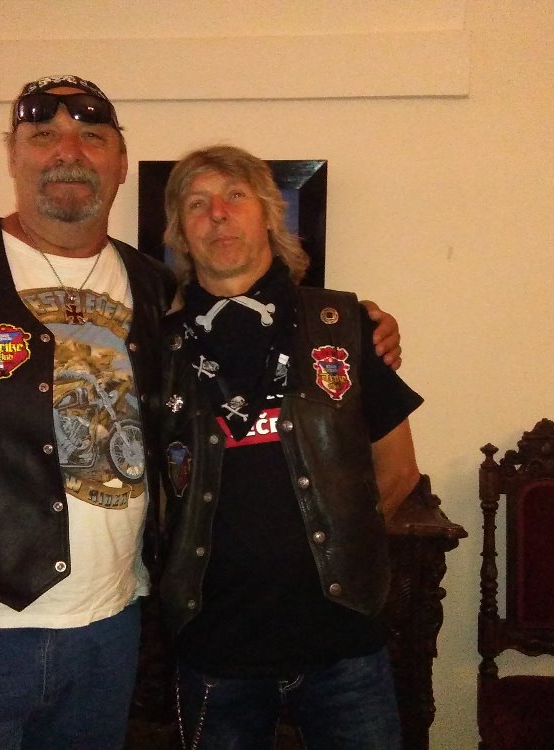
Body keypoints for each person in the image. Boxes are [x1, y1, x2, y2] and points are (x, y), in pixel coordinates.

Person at [0, 77, 403, 749]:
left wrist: (363, 324)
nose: (69, 151)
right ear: (13, 155)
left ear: (120, 164)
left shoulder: (155, 290)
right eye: (43, 136)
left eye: (92, 136)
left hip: (108, 636)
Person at [156, 145, 424, 749]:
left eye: (235, 196)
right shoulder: (157, 348)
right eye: (197, 204)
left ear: (269, 216)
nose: (218, 214)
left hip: (343, 647)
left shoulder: (343, 324)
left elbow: (399, 471)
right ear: (180, 232)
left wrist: (335, 551)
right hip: (214, 650)